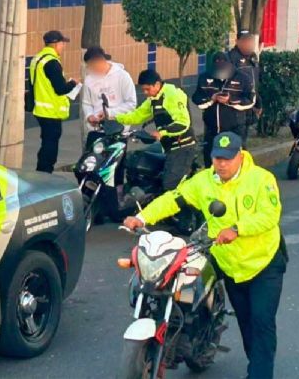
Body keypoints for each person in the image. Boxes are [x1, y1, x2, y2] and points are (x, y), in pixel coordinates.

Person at [123, 132, 286, 379]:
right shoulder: (204, 181)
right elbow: (175, 199)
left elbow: (269, 215)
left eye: (227, 159)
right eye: (217, 158)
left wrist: (237, 229)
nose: (221, 164)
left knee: (261, 322)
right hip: (229, 262)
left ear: (240, 156)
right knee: (244, 321)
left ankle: (260, 375)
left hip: (263, 262)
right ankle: (190, 334)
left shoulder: (262, 180)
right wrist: (143, 217)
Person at [114, 69, 197, 191]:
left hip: (183, 147)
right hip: (168, 147)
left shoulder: (172, 94)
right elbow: (137, 116)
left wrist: (162, 132)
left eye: (147, 89)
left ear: (157, 84)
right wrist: (113, 118)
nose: (145, 93)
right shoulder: (153, 99)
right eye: (143, 90)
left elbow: (183, 123)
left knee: (170, 186)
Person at [193, 52, 255, 166]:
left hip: (235, 129)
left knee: (237, 162)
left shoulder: (242, 77)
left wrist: (230, 100)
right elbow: (196, 98)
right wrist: (212, 98)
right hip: (212, 129)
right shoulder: (204, 77)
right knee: (211, 163)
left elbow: (251, 100)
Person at [30, 30, 79, 173]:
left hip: (40, 109)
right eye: (62, 43)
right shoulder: (52, 62)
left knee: (46, 142)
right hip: (51, 111)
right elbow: (60, 88)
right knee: (50, 145)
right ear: (56, 44)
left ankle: (42, 171)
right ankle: (45, 173)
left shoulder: (38, 59)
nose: (63, 46)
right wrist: (73, 83)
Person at [81, 46, 137, 146]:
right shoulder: (89, 79)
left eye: (94, 66)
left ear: (102, 61)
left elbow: (131, 103)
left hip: (118, 129)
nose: (92, 70)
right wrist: (89, 116)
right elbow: (86, 102)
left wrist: (108, 113)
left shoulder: (122, 76)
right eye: (89, 67)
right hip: (96, 130)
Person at [229, 31, 262, 140]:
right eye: (246, 41)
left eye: (251, 42)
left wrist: (258, 104)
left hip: (249, 106)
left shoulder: (253, 58)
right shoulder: (231, 58)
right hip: (235, 109)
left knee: (243, 138)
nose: (249, 45)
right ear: (237, 42)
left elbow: (254, 83)